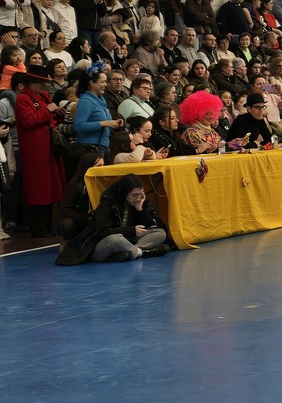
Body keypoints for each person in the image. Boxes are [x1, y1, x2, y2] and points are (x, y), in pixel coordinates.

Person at [56, 174, 171, 264]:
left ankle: (130, 251)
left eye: (140, 194)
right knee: (115, 239)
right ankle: (143, 252)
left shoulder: (137, 202)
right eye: (134, 195)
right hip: (101, 245)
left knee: (160, 233)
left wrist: (140, 210)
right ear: (124, 193)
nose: (138, 198)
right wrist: (131, 231)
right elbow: (102, 232)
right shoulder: (107, 205)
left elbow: (151, 225)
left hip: (127, 240)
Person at [14, 65, 64, 237]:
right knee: (38, 188)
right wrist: (47, 110)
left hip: (48, 148)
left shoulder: (42, 96)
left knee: (51, 187)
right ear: (31, 82)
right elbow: (28, 121)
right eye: (41, 83)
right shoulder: (23, 98)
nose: (44, 86)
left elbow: (50, 118)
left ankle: (49, 225)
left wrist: (58, 113)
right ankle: (38, 227)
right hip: (35, 150)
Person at [72, 67, 122, 155]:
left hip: (104, 145)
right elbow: (78, 126)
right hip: (90, 147)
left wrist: (114, 123)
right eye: (102, 82)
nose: (106, 85)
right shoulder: (85, 101)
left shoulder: (101, 101)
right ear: (92, 83)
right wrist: (103, 123)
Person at [178, 90, 224, 155]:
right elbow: (194, 153)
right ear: (197, 114)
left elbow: (221, 149)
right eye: (207, 113)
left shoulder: (213, 132)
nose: (211, 117)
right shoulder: (191, 132)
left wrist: (232, 144)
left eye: (213, 113)